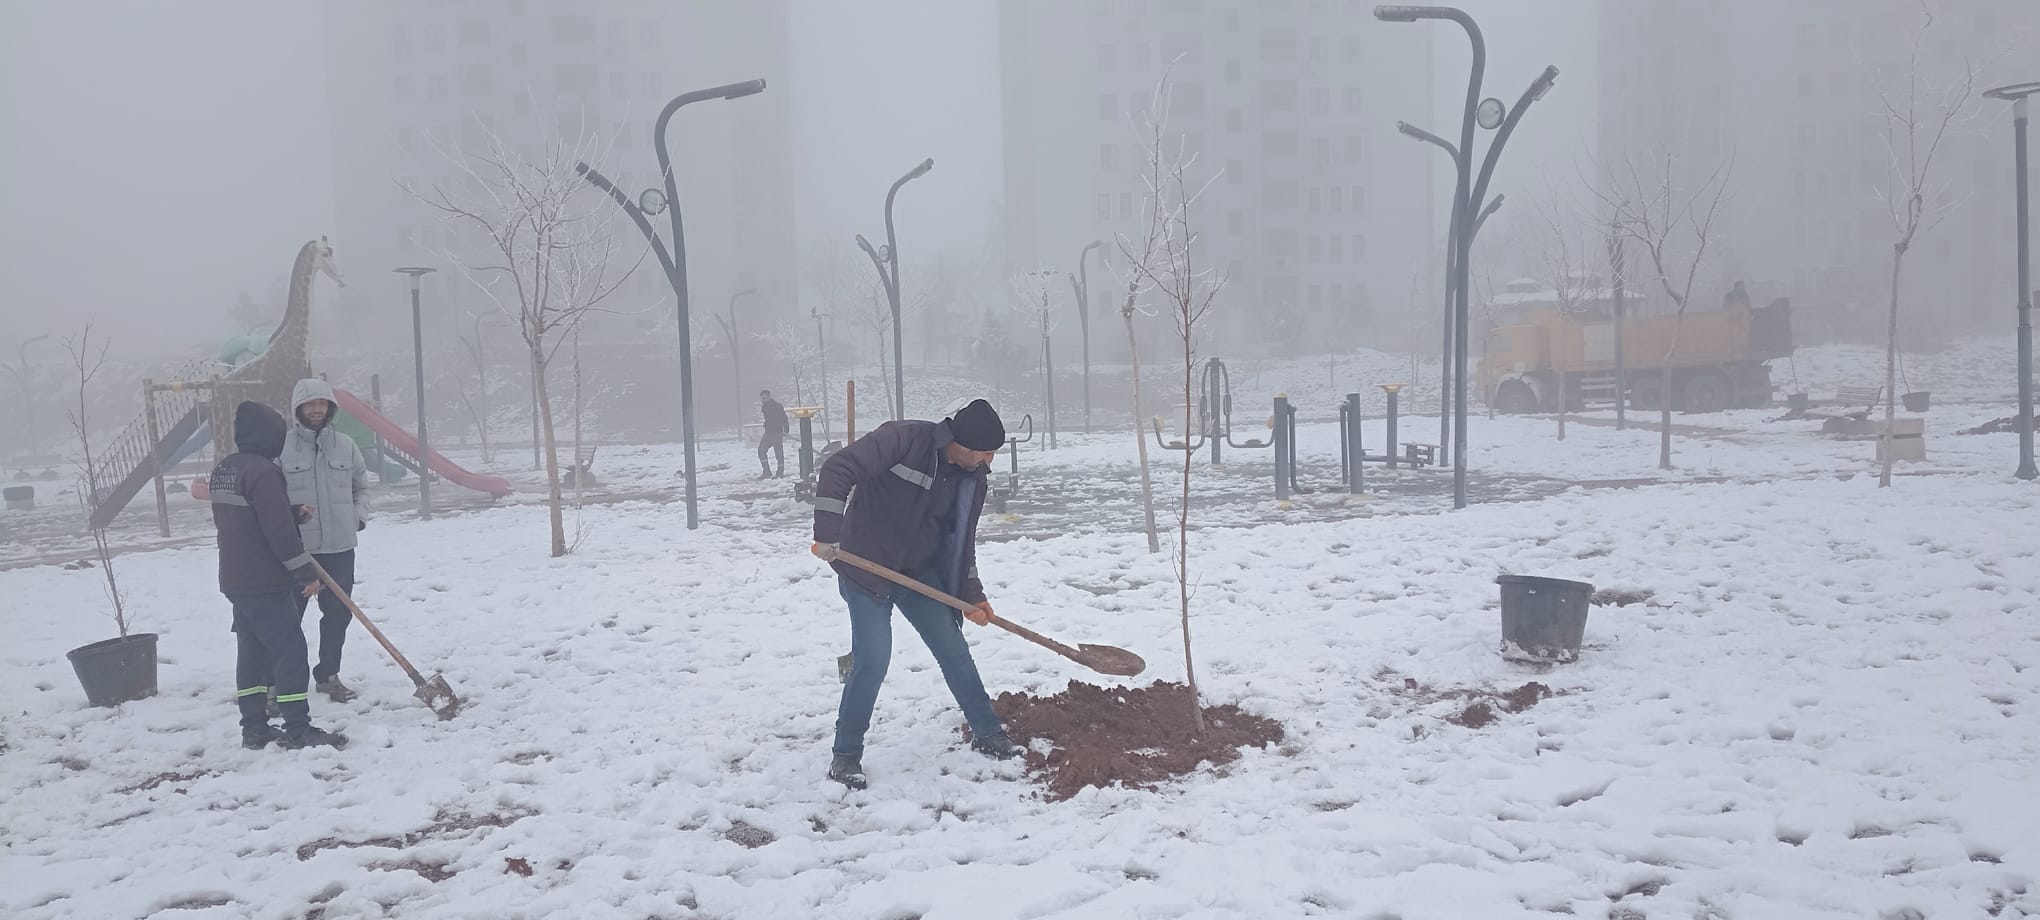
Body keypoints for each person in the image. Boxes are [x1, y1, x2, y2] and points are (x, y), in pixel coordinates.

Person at [810, 398, 1021, 790]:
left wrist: (972, 594)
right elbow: (839, 468)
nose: (989, 462)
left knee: (953, 649)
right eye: (987, 453)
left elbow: (962, 540)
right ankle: (845, 756)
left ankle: (988, 733)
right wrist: (827, 532)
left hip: (920, 574)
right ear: (964, 443)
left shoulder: (973, 477)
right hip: (865, 567)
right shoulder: (903, 440)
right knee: (872, 659)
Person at [208, 401, 347, 750]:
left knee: (251, 653)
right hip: (266, 582)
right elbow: (278, 534)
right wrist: (305, 574)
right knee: (290, 652)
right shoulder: (264, 472)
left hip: (236, 580)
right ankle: (298, 728)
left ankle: (254, 728)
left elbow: (249, 520)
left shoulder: (226, 469)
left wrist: (289, 512)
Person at [281, 378, 371, 703]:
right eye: (310, 404)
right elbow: (272, 496)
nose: (317, 409)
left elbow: (362, 487)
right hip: (298, 551)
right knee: (288, 619)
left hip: (340, 549)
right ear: (298, 408)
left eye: (322, 403)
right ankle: (281, 683)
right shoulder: (282, 447)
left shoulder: (345, 445)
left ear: (330, 408)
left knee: (337, 616)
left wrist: (358, 516)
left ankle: (328, 676)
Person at [759, 389, 789, 479]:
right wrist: (766, 424)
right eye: (761, 399)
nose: (762, 400)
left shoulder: (777, 406)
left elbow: (784, 418)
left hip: (777, 433)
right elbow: (769, 419)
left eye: (764, 398)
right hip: (768, 433)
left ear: (769, 396)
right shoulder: (764, 407)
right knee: (761, 450)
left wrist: (786, 430)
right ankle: (766, 471)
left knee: (778, 454)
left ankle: (780, 473)